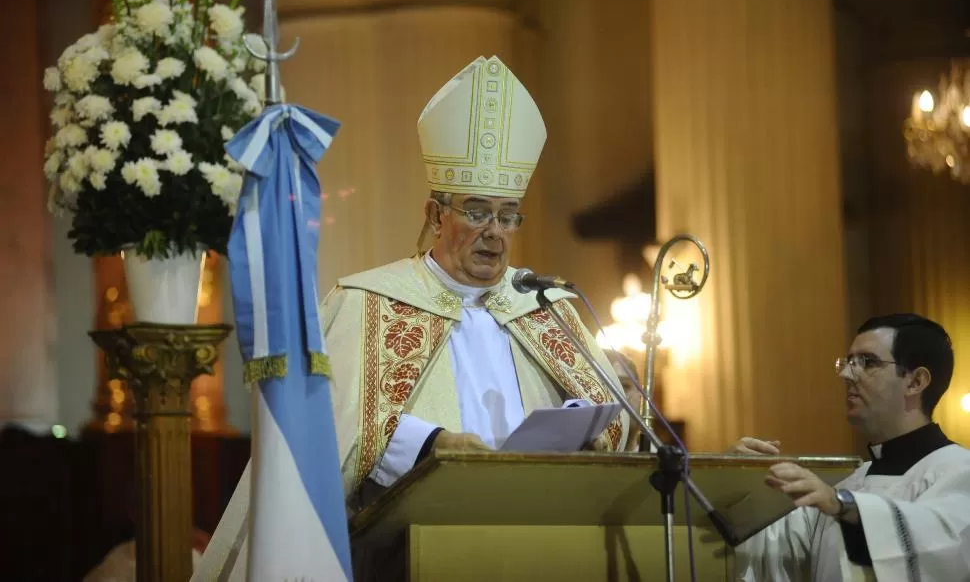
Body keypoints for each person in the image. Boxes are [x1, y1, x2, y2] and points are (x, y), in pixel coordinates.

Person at [192, 55, 630, 581]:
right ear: (434, 214)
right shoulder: (368, 301)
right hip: (416, 551)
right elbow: (331, 435)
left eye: (508, 215)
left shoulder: (544, 306)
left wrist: (585, 416)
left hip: (550, 547)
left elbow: (621, 432)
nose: (495, 231)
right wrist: (432, 444)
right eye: (475, 211)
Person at [731, 313, 970, 581]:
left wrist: (844, 506)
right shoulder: (847, 483)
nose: (846, 374)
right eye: (847, 362)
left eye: (867, 362)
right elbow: (772, 557)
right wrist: (744, 482)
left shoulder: (960, 471)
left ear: (915, 382)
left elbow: (946, 546)